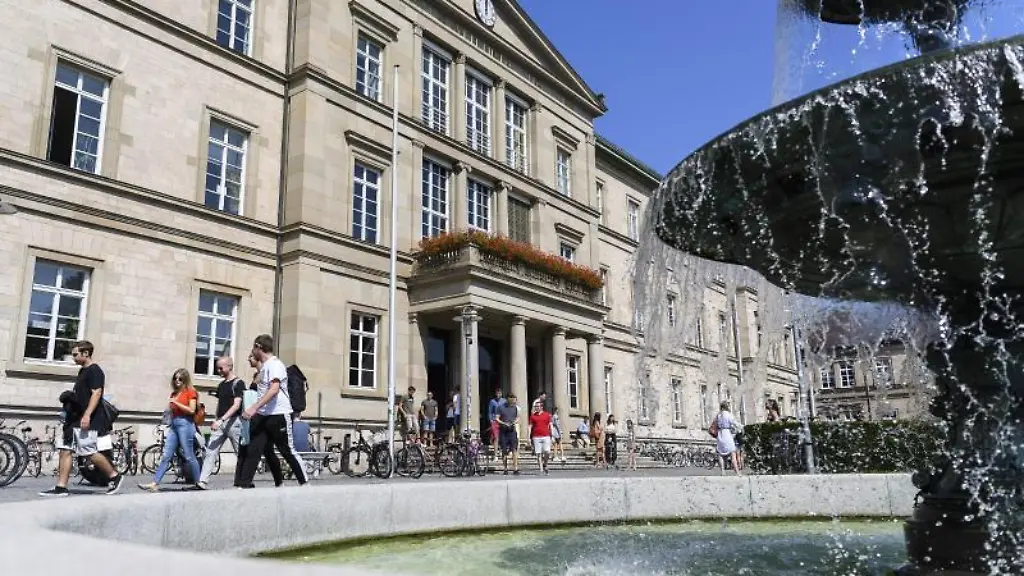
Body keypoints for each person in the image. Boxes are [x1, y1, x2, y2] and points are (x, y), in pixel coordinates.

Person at [39, 340, 123, 497]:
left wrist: (87, 415)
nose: (74, 358)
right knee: (66, 449)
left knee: (88, 451)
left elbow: (96, 393)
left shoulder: (94, 371)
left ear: (86, 353)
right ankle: (61, 487)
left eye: (76, 355)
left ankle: (115, 476)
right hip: (75, 418)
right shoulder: (83, 371)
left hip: (85, 419)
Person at [237, 334, 308, 487]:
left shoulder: (275, 364)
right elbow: (262, 392)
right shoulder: (265, 367)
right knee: (254, 448)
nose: (252, 351)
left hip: (279, 414)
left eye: (253, 347)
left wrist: (253, 407)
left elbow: (274, 389)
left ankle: (304, 483)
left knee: (287, 450)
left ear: (259, 347)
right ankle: (244, 484)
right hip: (263, 415)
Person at [138, 368, 202, 491]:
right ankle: (155, 483)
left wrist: (176, 403)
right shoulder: (174, 393)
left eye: (180, 378)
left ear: (185, 379)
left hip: (185, 424)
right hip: (174, 424)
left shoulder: (190, 392)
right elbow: (170, 411)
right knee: (166, 455)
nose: (177, 381)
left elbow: (191, 410)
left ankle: (199, 482)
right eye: (175, 378)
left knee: (189, 455)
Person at [197, 356, 245, 489]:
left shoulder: (238, 383)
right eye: (217, 367)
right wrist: (216, 418)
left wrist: (222, 419)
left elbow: (236, 405)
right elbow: (220, 403)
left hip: (234, 422)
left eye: (221, 368)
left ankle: (243, 481)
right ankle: (202, 481)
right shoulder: (222, 385)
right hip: (220, 422)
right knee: (210, 450)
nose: (219, 370)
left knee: (240, 452)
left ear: (230, 366)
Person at [237, 353, 284, 487]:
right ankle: (279, 481)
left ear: (257, 359)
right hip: (257, 415)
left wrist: (255, 409)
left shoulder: (264, 374)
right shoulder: (259, 374)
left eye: (251, 357)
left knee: (256, 448)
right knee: (268, 451)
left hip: (263, 415)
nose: (248, 358)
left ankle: (245, 482)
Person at [713, 401, 742, 476]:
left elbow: (715, 424)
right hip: (727, 434)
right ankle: (737, 471)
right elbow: (734, 423)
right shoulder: (728, 414)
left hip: (720, 434)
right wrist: (741, 427)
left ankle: (722, 471)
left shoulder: (718, 415)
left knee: (720, 453)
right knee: (732, 453)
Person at [496, 393, 520, 475]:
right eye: (511, 398)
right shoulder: (500, 407)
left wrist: (515, 422)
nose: (513, 400)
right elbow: (497, 418)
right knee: (504, 450)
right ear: (507, 398)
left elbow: (517, 417)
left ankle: (515, 468)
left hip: (512, 431)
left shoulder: (515, 408)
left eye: (513, 398)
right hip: (503, 431)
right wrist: (504, 423)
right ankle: (505, 468)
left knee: (514, 449)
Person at [528, 401, 553, 474]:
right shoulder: (533, 416)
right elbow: (530, 426)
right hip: (536, 436)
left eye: (538, 406)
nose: (537, 408)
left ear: (541, 407)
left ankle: (545, 464)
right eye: (536, 406)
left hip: (546, 435)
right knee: (538, 453)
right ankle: (541, 469)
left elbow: (550, 425)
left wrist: (552, 435)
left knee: (547, 452)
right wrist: (528, 437)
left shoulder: (547, 415)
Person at [487, 388, 505, 458]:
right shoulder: (492, 401)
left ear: (501, 394)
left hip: (502, 421)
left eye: (499, 393)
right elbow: (490, 412)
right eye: (497, 393)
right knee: (496, 437)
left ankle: (501, 451)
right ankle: (495, 454)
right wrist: (491, 421)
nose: (498, 395)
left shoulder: (504, 401)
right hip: (495, 421)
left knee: (502, 437)